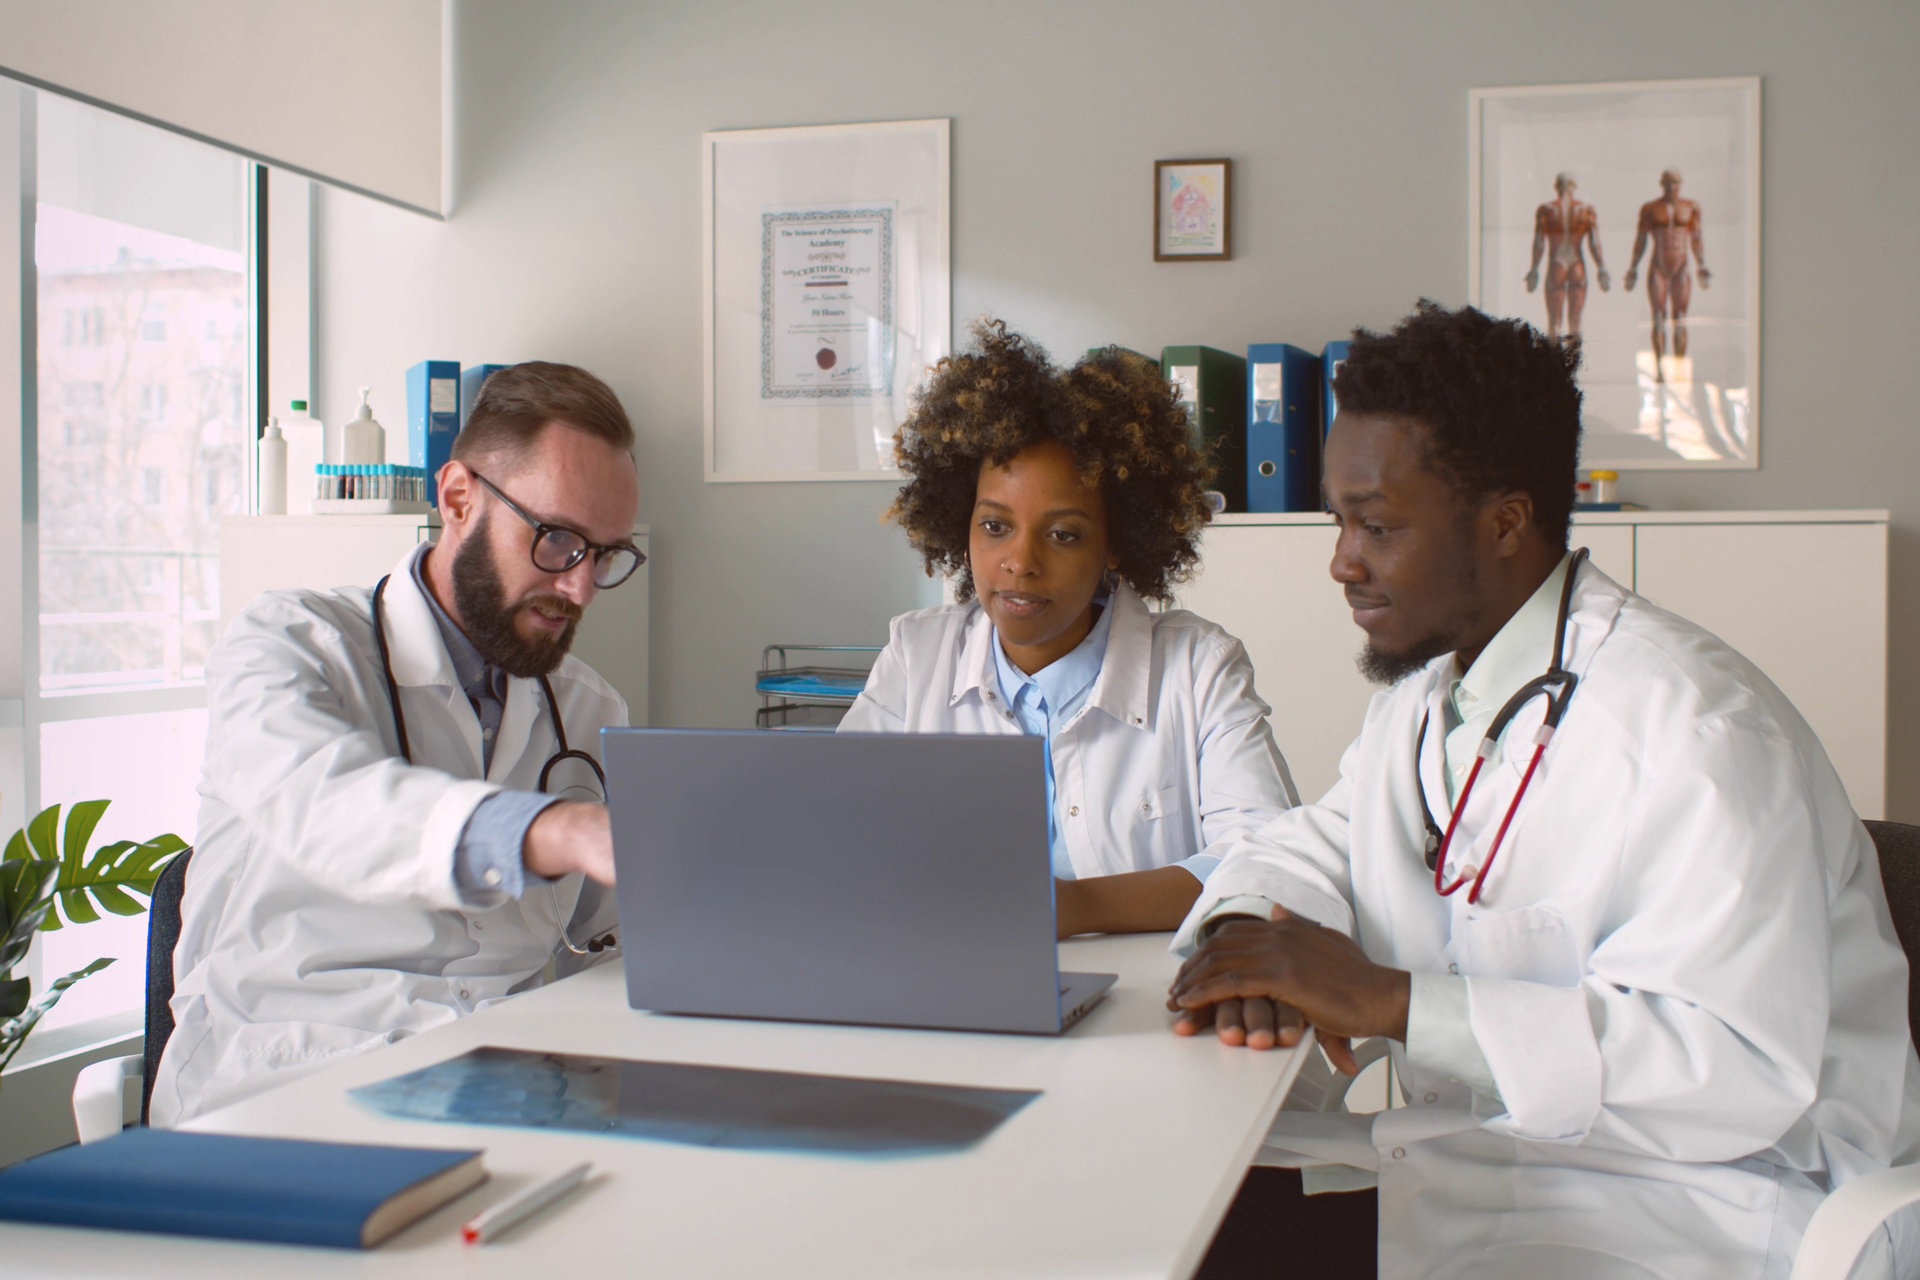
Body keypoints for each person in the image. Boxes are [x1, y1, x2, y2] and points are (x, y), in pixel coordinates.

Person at [1169, 302, 1920, 1279]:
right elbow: (1315, 842)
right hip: (1491, 1179)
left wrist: (1396, 1001)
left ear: (1507, 519)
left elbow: (1734, 1069)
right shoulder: (1436, 693)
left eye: (1378, 525)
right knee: (1177, 1223)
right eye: (1338, 515)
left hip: (1701, 1214)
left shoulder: (1693, 728)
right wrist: (1247, 935)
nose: (1341, 559)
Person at [152, 363, 644, 1125]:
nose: (580, 588)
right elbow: (325, 802)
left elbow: (616, 942)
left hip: (500, 1095)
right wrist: (551, 830)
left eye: (605, 555)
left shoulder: (585, 706)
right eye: (557, 540)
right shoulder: (288, 646)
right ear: (456, 499)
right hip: (280, 1098)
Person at [840, 321, 1296, 937]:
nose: (1020, 562)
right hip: (955, 980)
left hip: (1147, 1002)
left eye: (1063, 534)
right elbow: (834, 830)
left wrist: (1070, 908)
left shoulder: (1199, 665)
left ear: (1115, 545)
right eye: (995, 526)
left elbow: (1265, 859)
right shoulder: (916, 657)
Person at [1624, 169, 1710, 379]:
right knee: (1658, 317)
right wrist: (1633, 268)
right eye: (1668, 183)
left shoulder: (1690, 207)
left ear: (1681, 184)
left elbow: (1696, 238)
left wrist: (1702, 264)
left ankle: (1679, 369)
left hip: (1681, 265)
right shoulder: (1651, 208)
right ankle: (1660, 369)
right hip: (1659, 265)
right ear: (1662, 184)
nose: (1672, 187)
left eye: (1676, 183)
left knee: (1680, 318)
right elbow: (1641, 239)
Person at [1523, 171, 1609, 344]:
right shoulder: (1586, 210)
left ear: (1556, 187)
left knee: (1554, 322)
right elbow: (1594, 243)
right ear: (1574, 187)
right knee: (1575, 322)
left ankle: (1553, 366)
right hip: (1577, 264)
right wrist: (1601, 268)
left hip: (1557, 263)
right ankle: (1573, 365)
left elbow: (1539, 243)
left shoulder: (1547, 210)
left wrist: (1534, 270)